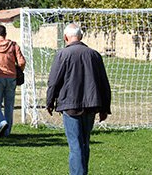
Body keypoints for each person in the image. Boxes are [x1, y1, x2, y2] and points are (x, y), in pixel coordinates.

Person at [46, 24, 111, 175]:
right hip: (91, 105)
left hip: (70, 106)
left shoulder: (62, 55)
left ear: (65, 37)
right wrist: (104, 108)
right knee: (84, 144)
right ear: (81, 36)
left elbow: (54, 81)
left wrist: (49, 102)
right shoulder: (94, 55)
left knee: (75, 145)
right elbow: (104, 83)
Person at [0, 24, 26, 137]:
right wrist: (19, 70)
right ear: (5, 34)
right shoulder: (13, 44)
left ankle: (2, 122)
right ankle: (7, 132)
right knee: (9, 105)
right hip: (11, 77)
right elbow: (22, 62)